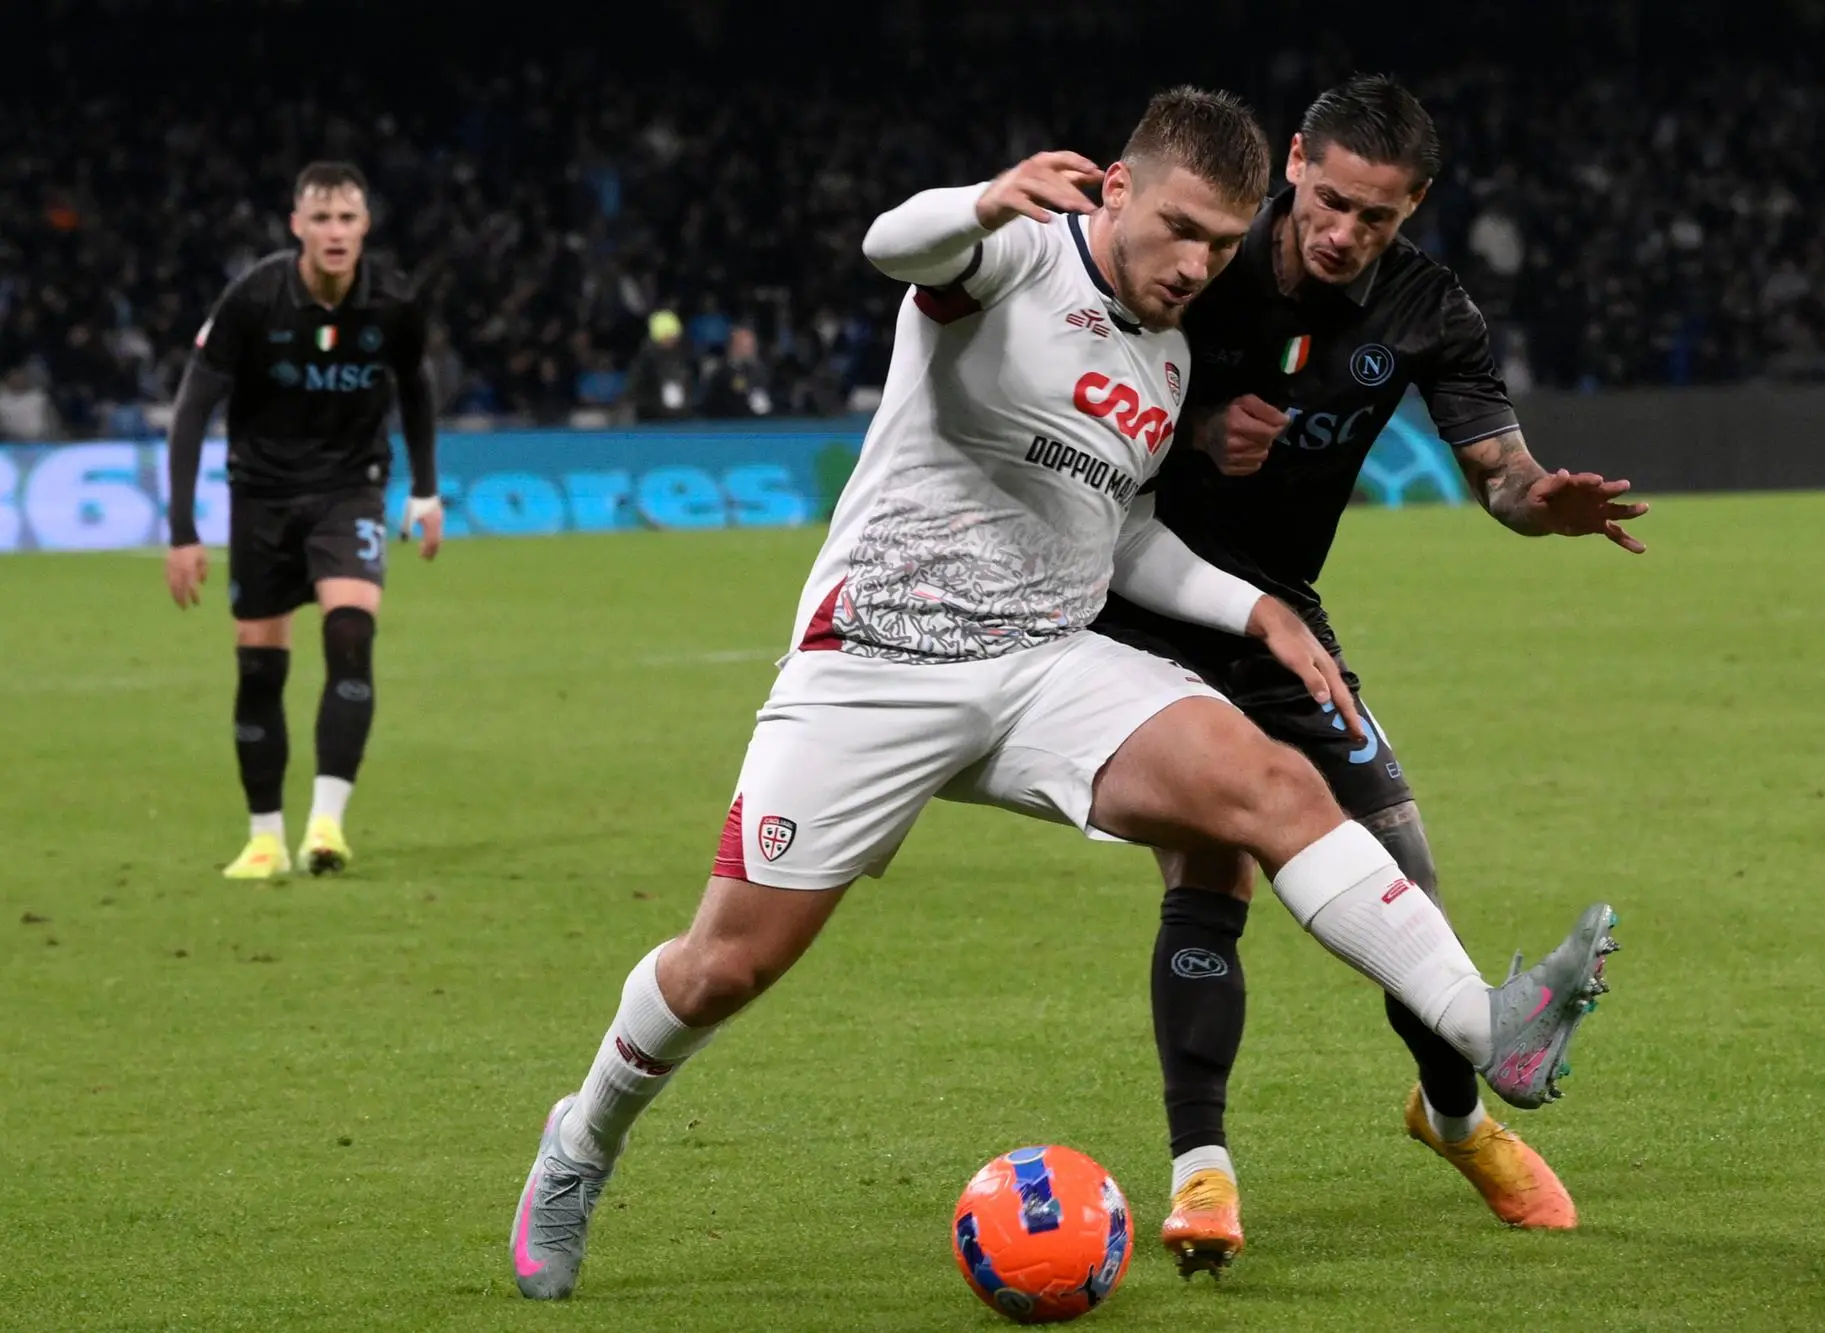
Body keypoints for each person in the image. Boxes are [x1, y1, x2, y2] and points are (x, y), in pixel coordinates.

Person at [507, 88, 1619, 1301]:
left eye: (1219, 242)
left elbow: (1124, 535)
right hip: (872, 669)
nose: (1196, 265)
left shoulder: (1172, 350)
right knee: (724, 966)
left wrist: (1255, 609)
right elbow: (894, 244)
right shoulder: (1012, 255)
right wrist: (979, 198)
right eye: (1180, 230)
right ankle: (580, 1143)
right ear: (1115, 189)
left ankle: (1486, 1028)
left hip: (1047, 664)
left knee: (1270, 783)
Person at [1089, 76, 1647, 1273]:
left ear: (1415, 209)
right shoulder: (1203, 252)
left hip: (1284, 616)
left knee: (1404, 884)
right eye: (1332, 201)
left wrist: (1536, 501)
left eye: (1378, 218)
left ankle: (1453, 1119)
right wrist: (1191, 437)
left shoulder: (1424, 304)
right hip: (1138, 592)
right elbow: (1074, 387)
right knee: (1209, 870)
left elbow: (1498, 470)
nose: (1346, 234)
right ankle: (1202, 1175)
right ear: (1294, 161)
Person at [163, 161, 444, 880]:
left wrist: (425, 491)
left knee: (350, 632)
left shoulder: (392, 303)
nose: (335, 232)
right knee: (260, 666)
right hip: (260, 494)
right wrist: (183, 531)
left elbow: (415, 388)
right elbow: (191, 411)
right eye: (320, 218)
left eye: (347, 217)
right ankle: (264, 838)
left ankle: (326, 824)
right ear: (297, 228)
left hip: (350, 488)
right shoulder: (255, 298)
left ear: (365, 226)